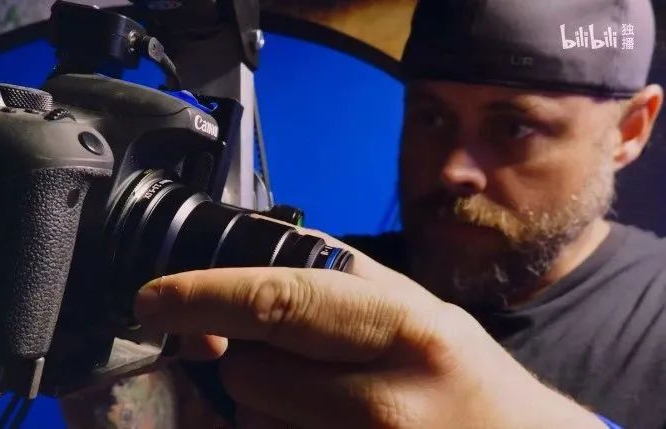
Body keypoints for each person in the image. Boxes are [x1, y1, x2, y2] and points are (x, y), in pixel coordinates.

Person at [62, 0, 666, 427]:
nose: (454, 169)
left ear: (631, 129)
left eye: (515, 127)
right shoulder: (315, 285)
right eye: (431, 116)